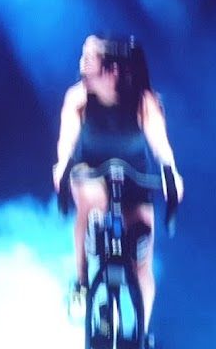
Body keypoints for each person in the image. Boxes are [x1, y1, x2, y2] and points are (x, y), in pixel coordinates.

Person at [52, 34, 185, 335]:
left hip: (134, 179)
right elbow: (67, 140)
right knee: (89, 197)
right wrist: (62, 165)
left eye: (90, 57)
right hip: (91, 172)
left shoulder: (142, 100)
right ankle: (83, 282)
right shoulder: (78, 98)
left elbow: (160, 144)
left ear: (111, 70)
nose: (82, 61)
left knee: (142, 261)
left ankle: (142, 332)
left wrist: (171, 172)